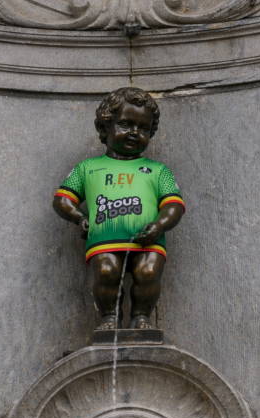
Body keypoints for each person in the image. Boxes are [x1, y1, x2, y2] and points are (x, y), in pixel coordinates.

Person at [53, 87, 185, 331]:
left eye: (143, 128)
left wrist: (159, 225)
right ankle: (109, 318)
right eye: (125, 124)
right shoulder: (87, 168)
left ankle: (141, 317)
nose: (134, 132)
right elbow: (62, 200)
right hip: (105, 239)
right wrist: (79, 217)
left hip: (149, 239)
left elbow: (174, 205)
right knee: (106, 272)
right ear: (105, 127)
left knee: (148, 273)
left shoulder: (158, 171)